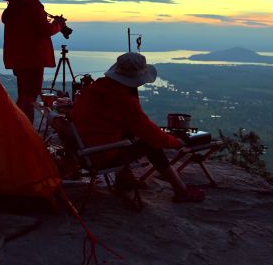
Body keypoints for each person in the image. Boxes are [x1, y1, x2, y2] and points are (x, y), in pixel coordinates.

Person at [71, 52, 205, 202]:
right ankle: (181, 190)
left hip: (84, 149)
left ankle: (124, 179)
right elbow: (148, 131)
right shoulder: (123, 99)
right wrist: (175, 143)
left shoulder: (96, 87)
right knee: (150, 144)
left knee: (128, 132)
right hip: (100, 155)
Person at [2, 0, 65, 123]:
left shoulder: (15, 4)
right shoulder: (33, 6)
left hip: (18, 57)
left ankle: (16, 125)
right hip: (33, 58)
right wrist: (58, 24)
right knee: (30, 96)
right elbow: (45, 30)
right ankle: (25, 129)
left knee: (24, 94)